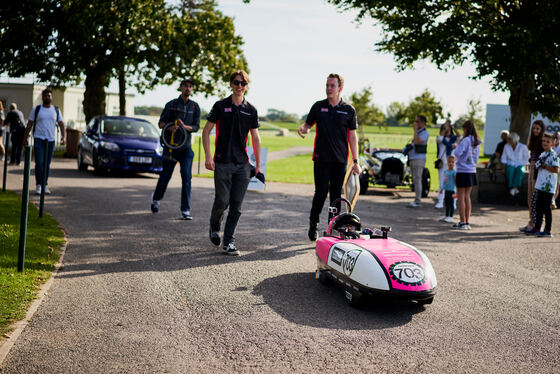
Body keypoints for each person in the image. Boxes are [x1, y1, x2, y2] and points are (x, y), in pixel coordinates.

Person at [202, 70, 261, 256]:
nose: (239, 86)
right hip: (222, 162)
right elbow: (206, 131)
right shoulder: (220, 106)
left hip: (243, 164)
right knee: (222, 200)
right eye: (236, 82)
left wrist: (258, 165)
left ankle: (228, 241)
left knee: (237, 205)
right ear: (231, 84)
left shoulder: (251, 109)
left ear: (247, 86)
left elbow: (256, 137)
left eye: (243, 83)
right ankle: (214, 227)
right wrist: (208, 156)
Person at [297, 73, 360, 241]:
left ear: (340, 88)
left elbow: (353, 137)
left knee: (336, 196)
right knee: (321, 192)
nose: (328, 89)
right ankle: (314, 224)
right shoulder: (318, 107)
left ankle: (332, 226)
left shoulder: (348, 110)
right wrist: (303, 129)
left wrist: (356, 161)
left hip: (340, 161)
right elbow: (307, 125)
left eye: (332, 86)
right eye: (327, 85)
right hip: (321, 158)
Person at [150, 79, 200, 220]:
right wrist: (170, 126)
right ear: (180, 88)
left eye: (190, 87)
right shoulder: (171, 104)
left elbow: (196, 127)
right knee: (165, 176)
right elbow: (161, 124)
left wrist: (185, 127)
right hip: (171, 148)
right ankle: (156, 199)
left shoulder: (195, 107)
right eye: (185, 86)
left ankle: (185, 210)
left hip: (186, 149)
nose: (188, 89)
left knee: (187, 177)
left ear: (192, 89)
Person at [23, 88, 66, 195]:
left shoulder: (55, 110)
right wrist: (25, 138)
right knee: (39, 163)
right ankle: (38, 185)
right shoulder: (37, 109)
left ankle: (45, 185)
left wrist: (63, 137)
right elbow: (29, 124)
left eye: (49, 96)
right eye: (45, 95)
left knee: (47, 164)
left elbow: (61, 124)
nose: (47, 97)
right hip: (38, 139)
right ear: (42, 97)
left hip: (50, 140)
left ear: (51, 97)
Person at [525, 133, 559, 237]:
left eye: (547, 142)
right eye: (543, 141)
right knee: (538, 207)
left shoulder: (553, 156)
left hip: (548, 187)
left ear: (552, 143)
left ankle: (548, 230)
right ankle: (537, 228)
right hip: (540, 184)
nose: (545, 143)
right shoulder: (543, 154)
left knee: (546, 208)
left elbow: (556, 170)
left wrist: (544, 166)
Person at [451, 120, 481, 230]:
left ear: (466, 129)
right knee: (467, 197)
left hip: (463, 170)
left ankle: (462, 221)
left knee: (461, 196)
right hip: (472, 170)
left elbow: (457, 153)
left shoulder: (466, 140)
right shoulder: (476, 141)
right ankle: (467, 222)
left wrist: (457, 146)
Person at [520, 120, 545, 232]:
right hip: (532, 169)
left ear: (541, 130)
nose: (535, 130)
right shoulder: (533, 140)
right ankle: (531, 222)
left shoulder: (542, 141)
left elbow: (543, 158)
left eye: (537, 129)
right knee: (530, 199)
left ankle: (536, 224)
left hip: (538, 172)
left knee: (536, 199)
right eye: (534, 128)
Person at [407, 115, 429, 208]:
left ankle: (418, 200)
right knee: (415, 179)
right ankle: (416, 199)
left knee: (418, 179)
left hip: (419, 159)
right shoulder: (419, 132)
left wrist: (415, 130)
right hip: (413, 158)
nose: (415, 123)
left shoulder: (424, 133)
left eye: (417, 121)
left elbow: (416, 142)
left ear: (423, 123)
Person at [435, 120, 458, 208]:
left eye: (448, 127)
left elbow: (461, 137)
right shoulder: (440, 138)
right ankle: (440, 201)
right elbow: (440, 139)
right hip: (443, 163)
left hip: (452, 164)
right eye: (445, 127)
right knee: (441, 182)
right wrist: (444, 129)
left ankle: (453, 202)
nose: (447, 128)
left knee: (453, 183)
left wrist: (454, 128)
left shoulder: (454, 139)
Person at [500, 132, 529, 196]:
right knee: (510, 170)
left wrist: (527, 168)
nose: (508, 141)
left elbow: (526, 158)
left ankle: (516, 187)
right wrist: (503, 168)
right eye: (508, 139)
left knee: (520, 171)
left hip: (520, 164)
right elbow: (504, 157)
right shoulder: (506, 146)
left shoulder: (523, 147)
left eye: (510, 139)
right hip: (510, 163)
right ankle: (511, 186)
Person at [439, 155, 457, 223]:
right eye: (449, 162)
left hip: (452, 190)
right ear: (447, 163)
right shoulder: (446, 171)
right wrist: (442, 188)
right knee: (446, 203)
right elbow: (444, 181)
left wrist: (456, 190)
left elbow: (455, 181)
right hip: (446, 190)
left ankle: (451, 216)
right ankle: (446, 215)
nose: (451, 163)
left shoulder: (454, 172)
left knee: (451, 203)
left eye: (452, 162)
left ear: (454, 163)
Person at [552, 131, 560, 209]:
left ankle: (553, 200)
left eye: (557, 137)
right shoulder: (550, 146)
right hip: (550, 169)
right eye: (554, 137)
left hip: (558, 169)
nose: (556, 139)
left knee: (557, 185)